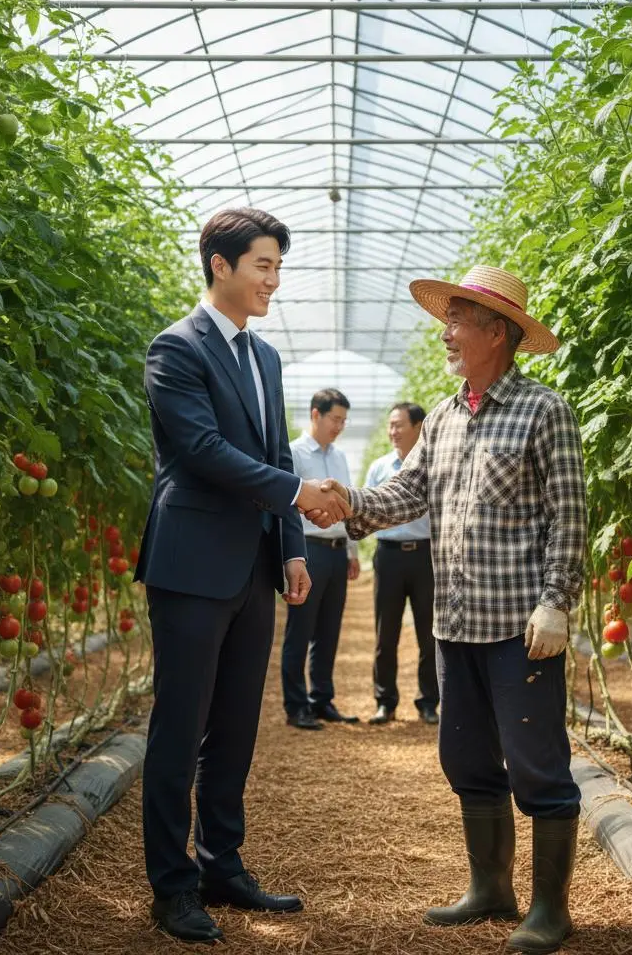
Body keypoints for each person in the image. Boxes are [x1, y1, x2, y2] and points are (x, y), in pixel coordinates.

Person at [315, 266, 587, 955]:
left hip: (520, 629)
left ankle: (552, 910)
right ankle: (491, 889)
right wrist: (351, 505)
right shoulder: (441, 416)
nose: (446, 333)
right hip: (455, 622)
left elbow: (569, 517)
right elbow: (406, 495)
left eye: (459, 320)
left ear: (498, 333)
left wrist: (556, 602)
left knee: (537, 768)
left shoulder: (542, 411)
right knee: (466, 759)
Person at [132, 208, 350, 944]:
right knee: (180, 724)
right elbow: (200, 450)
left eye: (279, 267)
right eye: (264, 265)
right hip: (192, 565)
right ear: (219, 265)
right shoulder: (176, 349)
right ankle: (172, 886)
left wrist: (290, 545)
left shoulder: (265, 358)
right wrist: (296, 499)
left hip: (254, 565)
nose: (274, 280)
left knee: (233, 729)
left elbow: (275, 458)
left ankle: (222, 864)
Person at [281, 388, 361, 729]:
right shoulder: (295, 454)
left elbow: (346, 508)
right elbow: (285, 504)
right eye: (335, 419)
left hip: (336, 551)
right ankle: (296, 705)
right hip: (308, 549)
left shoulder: (340, 457)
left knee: (329, 630)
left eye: (344, 420)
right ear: (315, 414)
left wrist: (352, 549)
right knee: (300, 630)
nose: (339, 426)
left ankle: (322, 699)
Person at [364, 402, 438, 726]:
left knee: (430, 632)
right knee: (386, 633)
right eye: (390, 425)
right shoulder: (380, 468)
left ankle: (428, 703)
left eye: (399, 425)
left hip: (426, 556)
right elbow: (365, 508)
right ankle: (385, 702)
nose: (393, 431)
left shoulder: (435, 466)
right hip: (389, 556)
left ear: (418, 427)